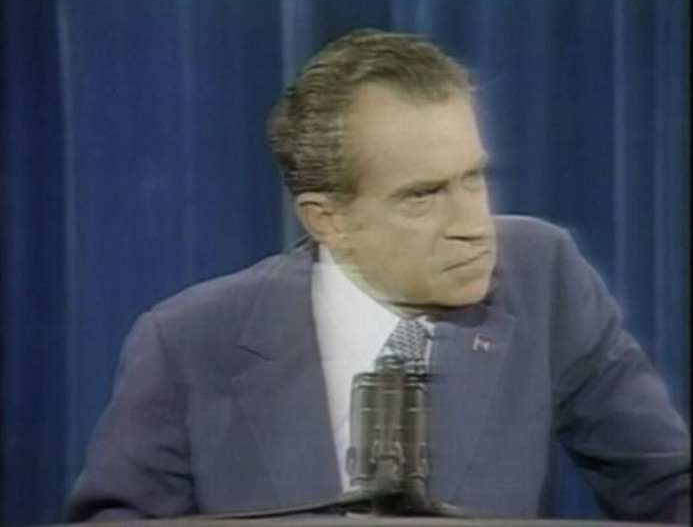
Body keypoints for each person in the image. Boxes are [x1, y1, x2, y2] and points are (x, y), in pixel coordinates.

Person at [66, 29, 690, 523]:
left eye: (473, 178)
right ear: (328, 220)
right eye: (423, 196)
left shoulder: (543, 278)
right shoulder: (189, 344)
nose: (474, 226)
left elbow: (668, 486)